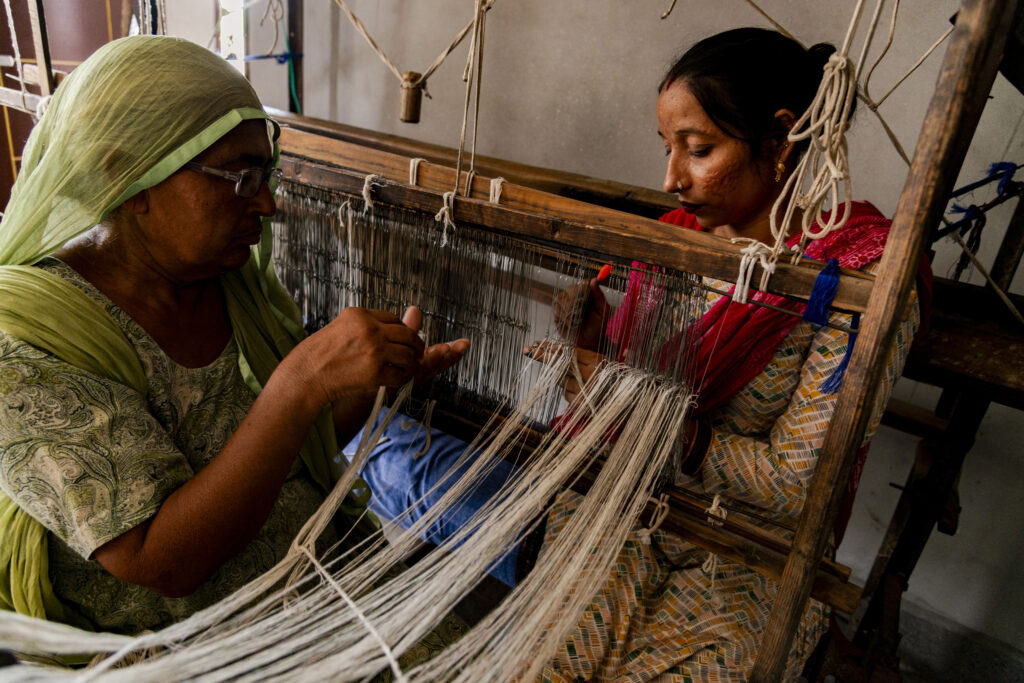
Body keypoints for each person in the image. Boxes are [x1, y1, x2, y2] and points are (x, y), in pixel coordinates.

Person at [355, 28, 927, 681]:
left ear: (780, 138)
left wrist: (631, 401)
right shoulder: (680, 244)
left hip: (742, 560)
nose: (670, 178)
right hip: (622, 511)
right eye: (668, 149)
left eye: (699, 149)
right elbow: (604, 416)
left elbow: (796, 487)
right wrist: (591, 353)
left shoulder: (859, 280)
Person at [0, 35, 469, 636]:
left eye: (266, 177)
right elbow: (159, 559)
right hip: (198, 647)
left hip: (318, 582)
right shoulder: (28, 340)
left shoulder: (227, 284)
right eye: (241, 179)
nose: (269, 205)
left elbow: (281, 450)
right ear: (128, 176)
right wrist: (304, 379)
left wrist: (372, 386)